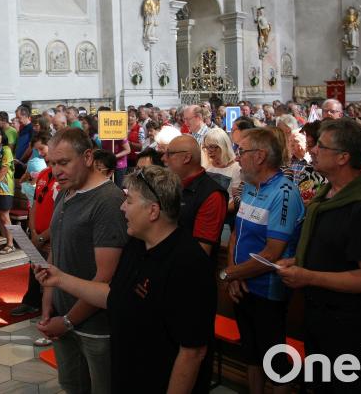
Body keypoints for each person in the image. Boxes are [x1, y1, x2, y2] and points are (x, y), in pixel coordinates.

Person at [34, 166, 216, 393]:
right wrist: (59, 279)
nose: (122, 207)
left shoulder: (188, 264)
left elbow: (192, 352)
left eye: (128, 201)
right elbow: (115, 295)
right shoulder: (136, 245)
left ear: (153, 211)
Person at [277, 118, 361, 393]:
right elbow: (333, 252)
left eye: (321, 146)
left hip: (348, 324)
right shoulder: (329, 195)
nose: (312, 150)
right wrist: (297, 261)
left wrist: (308, 275)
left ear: (343, 157)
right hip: (320, 315)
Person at [37, 128, 128, 394]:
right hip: (62, 315)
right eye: (52, 164)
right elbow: (57, 249)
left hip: (95, 325)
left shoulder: (108, 201)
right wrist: (47, 305)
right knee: (73, 386)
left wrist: (67, 321)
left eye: (63, 162)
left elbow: (104, 278)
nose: (56, 171)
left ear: (87, 157)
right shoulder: (67, 191)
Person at [220, 127, 305, 394]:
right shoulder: (249, 186)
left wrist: (230, 275)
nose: (237, 158)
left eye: (241, 152)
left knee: (274, 361)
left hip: (268, 290)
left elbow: (272, 253)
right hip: (243, 284)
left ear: (259, 156)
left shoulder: (285, 192)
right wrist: (234, 274)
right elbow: (236, 234)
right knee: (251, 354)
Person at [11, 148, 58, 326]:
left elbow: (61, 213)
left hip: (51, 236)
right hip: (37, 234)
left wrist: (42, 237)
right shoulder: (44, 174)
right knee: (35, 267)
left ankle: (51, 310)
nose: (50, 162)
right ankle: (31, 302)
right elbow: (35, 205)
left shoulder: (65, 180)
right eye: (50, 160)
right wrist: (34, 232)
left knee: (50, 272)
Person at [162, 135, 228, 257]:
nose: (163, 158)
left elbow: (201, 252)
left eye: (169, 154)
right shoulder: (173, 184)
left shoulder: (212, 195)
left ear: (186, 158)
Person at [201, 128, 241, 207]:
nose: (209, 151)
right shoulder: (206, 166)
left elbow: (236, 202)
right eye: (206, 147)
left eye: (212, 147)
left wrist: (217, 212)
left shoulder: (236, 168)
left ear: (223, 146)